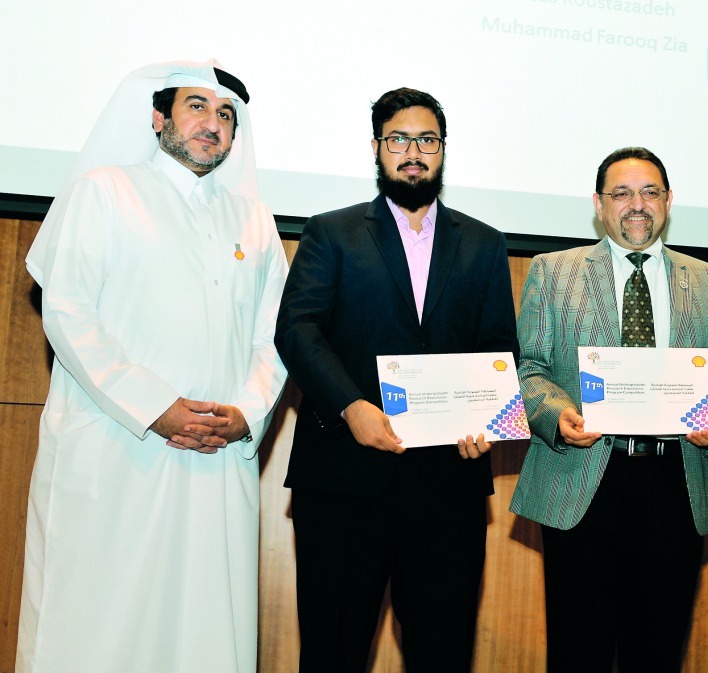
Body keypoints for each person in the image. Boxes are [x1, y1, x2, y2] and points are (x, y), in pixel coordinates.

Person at [17, 60, 287, 673]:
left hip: (216, 458)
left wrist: (245, 414)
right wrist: (155, 407)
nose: (212, 124)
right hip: (117, 449)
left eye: (226, 115)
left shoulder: (255, 221)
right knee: (99, 621)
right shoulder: (105, 190)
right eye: (197, 106)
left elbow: (275, 338)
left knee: (204, 630)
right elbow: (68, 311)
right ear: (160, 116)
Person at [274, 87, 518, 673]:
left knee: (444, 652)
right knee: (333, 652)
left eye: (427, 140)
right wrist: (350, 407)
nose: (414, 152)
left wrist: (487, 422)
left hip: (447, 486)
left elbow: (498, 349)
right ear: (378, 149)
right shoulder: (331, 232)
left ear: (442, 150)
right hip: (342, 480)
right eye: (399, 140)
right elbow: (297, 328)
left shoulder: (482, 243)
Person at [509, 146, 708, 673]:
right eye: (621, 193)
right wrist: (556, 414)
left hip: (675, 481)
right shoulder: (553, 271)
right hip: (583, 479)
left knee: (657, 653)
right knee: (578, 653)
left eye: (649, 192)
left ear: (668, 201)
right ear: (598, 204)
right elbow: (529, 369)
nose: (636, 205)